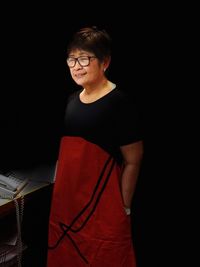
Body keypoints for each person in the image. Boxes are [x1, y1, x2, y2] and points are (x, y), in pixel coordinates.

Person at [47, 26, 143, 267]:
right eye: (72, 59)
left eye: (84, 58)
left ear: (105, 62)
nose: (76, 66)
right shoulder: (71, 101)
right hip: (67, 204)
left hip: (103, 206)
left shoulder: (119, 102)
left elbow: (133, 159)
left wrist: (125, 207)